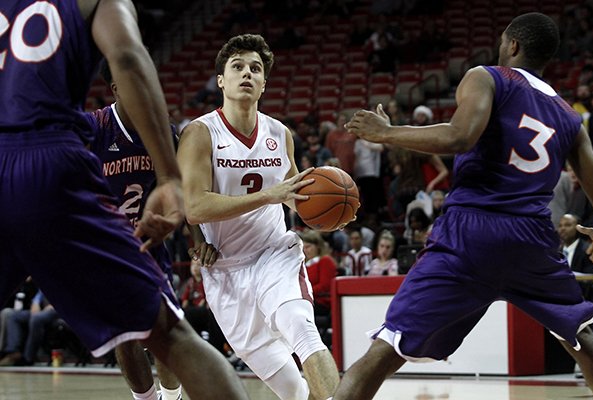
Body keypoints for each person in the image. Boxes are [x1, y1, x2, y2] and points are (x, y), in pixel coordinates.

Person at [335, 13, 593, 399]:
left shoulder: (487, 75)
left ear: (512, 45)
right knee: (581, 338)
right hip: (534, 239)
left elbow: (460, 137)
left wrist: (387, 133)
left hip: (472, 230)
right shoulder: (570, 118)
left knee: (389, 345)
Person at [0, 1, 248, 399]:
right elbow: (129, 56)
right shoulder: (98, 123)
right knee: (170, 334)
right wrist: (169, 177)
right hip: (48, 161)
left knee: (148, 332)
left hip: (142, 236)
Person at [177, 34, 341, 400]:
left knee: (302, 328)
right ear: (221, 80)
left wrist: (326, 214)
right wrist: (268, 196)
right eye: (237, 67)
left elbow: (296, 196)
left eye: (256, 68)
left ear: (264, 83)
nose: (247, 73)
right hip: (226, 271)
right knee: (290, 389)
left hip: (274, 254)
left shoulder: (280, 133)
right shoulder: (200, 133)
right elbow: (195, 207)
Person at [86, 60, 183, 400]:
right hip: (105, 250)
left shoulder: (165, 131)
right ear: (116, 89)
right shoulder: (94, 128)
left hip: (150, 247)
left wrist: (198, 239)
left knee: (166, 333)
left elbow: (185, 192)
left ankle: (171, 398)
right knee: (125, 337)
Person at [0, 291, 59, 366]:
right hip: (42, 310)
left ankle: (28, 358)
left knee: (36, 318)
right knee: (10, 315)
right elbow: (40, 294)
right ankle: (13, 352)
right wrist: (35, 302)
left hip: (58, 310)